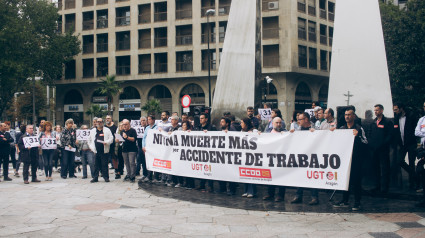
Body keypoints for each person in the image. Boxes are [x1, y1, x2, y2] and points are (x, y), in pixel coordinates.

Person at [333, 108, 368, 211]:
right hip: (344, 160)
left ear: (353, 116)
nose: (347, 116)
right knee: (345, 181)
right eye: (345, 115)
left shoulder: (359, 128)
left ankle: (357, 202)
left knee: (356, 182)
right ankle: (345, 200)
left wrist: (357, 136)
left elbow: (365, 142)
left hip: (356, 160)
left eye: (349, 115)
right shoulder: (342, 128)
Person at [290, 112, 319, 205]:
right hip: (301, 156)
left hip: (313, 156)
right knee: (300, 175)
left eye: (300, 119)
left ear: (306, 119)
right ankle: (298, 195)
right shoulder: (298, 130)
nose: (298, 121)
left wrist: (315, 133)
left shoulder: (315, 128)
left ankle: (314, 197)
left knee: (313, 176)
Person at [393, 102, 420, 190]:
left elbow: (415, 129)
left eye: (396, 109)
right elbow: (396, 130)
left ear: (401, 109)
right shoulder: (396, 118)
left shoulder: (411, 116)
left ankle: (412, 184)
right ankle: (416, 177)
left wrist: (413, 139)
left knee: (412, 163)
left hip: (411, 143)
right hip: (402, 144)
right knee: (399, 161)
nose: (395, 111)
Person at [369, 104, 393, 193]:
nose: (376, 112)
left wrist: (383, 144)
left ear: (382, 110)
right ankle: (377, 186)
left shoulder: (387, 122)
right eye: (375, 110)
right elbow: (370, 134)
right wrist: (371, 144)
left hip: (383, 149)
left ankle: (385, 187)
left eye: (377, 110)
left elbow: (390, 135)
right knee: (376, 168)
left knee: (385, 168)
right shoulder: (373, 122)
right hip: (374, 149)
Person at [263, 117, 287, 202]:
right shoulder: (268, 133)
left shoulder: (285, 133)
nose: (279, 124)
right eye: (277, 123)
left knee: (281, 177)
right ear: (272, 124)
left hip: (281, 159)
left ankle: (280, 195)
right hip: (271, 158)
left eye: (280, 123)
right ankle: (270, 193)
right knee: (271, 176)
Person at [195, 113, 217, 192]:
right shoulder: (198, 127)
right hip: (200, 151)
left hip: (209, 152)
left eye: (202, 118)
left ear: (206, 119)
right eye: (200, 118)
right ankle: (202, 184)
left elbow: (216, 136)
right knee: (201, 168)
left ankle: (210, 186)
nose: (200, 120)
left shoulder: (211, 127)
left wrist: (209, 133)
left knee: (209, 169)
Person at [88, 118, 113, 183]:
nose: (99, 123)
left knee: (104, 165)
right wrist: (91, 147)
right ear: (95, 123)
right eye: (97, 122)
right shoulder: (93, 130)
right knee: (96, 165)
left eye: (100, 122)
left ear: (103, 123)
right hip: (96, 151)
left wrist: (106, 142)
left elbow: (111, 139)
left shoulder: (107, 130)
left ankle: (106, 177)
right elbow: (89, 140)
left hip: (104, 150)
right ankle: (95, 177)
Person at [220, 117, 236, 194]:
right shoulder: (219, 131)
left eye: (222, 122)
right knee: (222, 172)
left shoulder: (232, 130)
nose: (221, 123)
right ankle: (222, 188)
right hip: (222, 155)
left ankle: (232, 189)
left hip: (230, 155)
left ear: (227, 124)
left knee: (231, 173)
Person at [241, 118, 256, 198]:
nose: (241, 124)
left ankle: (252, 191)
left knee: (251, 174)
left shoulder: (254, 131)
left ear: (246, 123)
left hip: (252, 156)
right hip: (244, 155)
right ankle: (246, 190)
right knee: (245, 173)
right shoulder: (241, 132)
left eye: (242, 122)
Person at [178, 120, 194, 189]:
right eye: (182, 125)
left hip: (189, 154)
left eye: (184, 125)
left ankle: (190, 184)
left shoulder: (190, 132)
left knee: (189, 170)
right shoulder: (180, 132)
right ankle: (185, 183)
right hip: (183, 154)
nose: (183, 127)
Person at [142, 115, 158, 182]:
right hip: (147, 148)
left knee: (155, 162)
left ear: (153, 120)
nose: (148, 121)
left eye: (149, 119)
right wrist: (143, 146)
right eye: (148, 119)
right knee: (148, 162)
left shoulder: (157, 128)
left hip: (154, 148)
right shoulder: (147, 128)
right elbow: (144, 138)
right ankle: (149, 176)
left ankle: (156, 177)